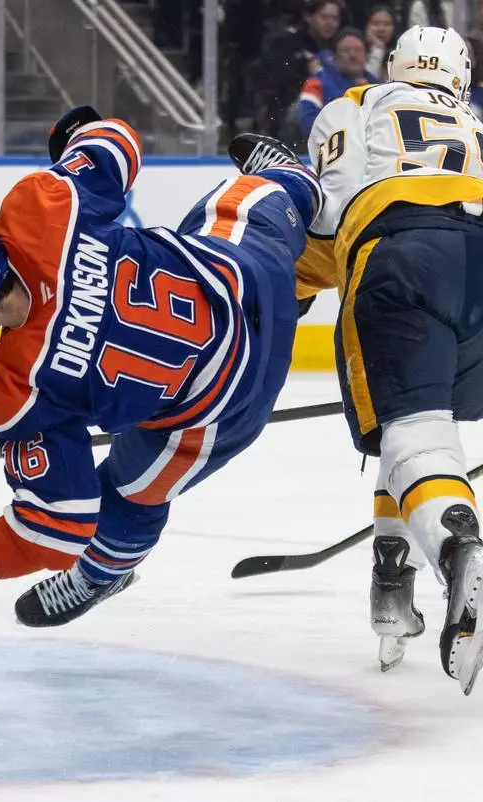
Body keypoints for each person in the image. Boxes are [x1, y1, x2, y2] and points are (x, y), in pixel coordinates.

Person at [0, 108, 323, 635]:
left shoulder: (17, 387)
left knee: (134, 491)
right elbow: (120, 139)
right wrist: (73, 140)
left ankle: (102, 574)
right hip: (250, 281)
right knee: (236, 203)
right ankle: (301, 186)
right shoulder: (40, 205)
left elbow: (55, 530)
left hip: (229, 405)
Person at [294, 25, 483, 693]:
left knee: (413, 434)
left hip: (403, 255)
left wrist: (281, 291)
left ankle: (457, 546)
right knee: (433, 430)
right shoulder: (474, 119)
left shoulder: (353, 105)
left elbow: (329, 219)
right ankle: (390, 584)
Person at [256, 0, 345, 139]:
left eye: (335, 18)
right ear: (309, 17)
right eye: (324, 17)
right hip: (288, 114)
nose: (330, 23)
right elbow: (276, 86)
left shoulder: (339, 47)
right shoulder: (287, 43)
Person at [299, 29, 376, 138]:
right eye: (346, 50)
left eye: (358, 50)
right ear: (334, 56)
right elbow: (309, 126)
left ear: (366, 55)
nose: (353, 55)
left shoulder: (379, 87)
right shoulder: (316, 83)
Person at [364, 4, 397, 77]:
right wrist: (378, 48)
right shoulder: (359, 53)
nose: (381, 29)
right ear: (366, 26)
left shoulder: (399, 56)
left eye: (387, 24)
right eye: (375, 23)